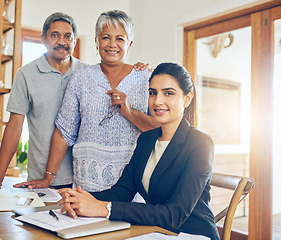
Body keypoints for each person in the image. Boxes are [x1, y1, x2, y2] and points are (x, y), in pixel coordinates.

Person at [0, 12, 148, 190]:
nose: (62, 41)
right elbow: (15, 126)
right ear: (43, 39)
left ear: (75, 40)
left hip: (81, 178)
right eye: (55, 35)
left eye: (68, 36)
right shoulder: (27, 75)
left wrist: (140, 70)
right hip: (42, 175)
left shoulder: (87, 73)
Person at [57, 63, 220, 240]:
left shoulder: (200, 143)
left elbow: (174, 214)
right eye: (153, 93)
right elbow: (121, 192)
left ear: (187, 98)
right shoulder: (146, 139)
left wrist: (104, 208)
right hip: (155, 232)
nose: (157, 101)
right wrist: (80, 198)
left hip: (192, 234)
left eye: (168, 93)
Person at [15, 10, 159, 191]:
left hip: (133, 185)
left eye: (120, 39)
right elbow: (64, 133)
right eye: (106, 37)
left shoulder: (147, 79)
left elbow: (160, 129)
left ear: (129, 44)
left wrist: (129, 112)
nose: (112, 44)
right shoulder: (80, 78)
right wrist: (48, 177)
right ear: (96, 42)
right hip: (87, 186)